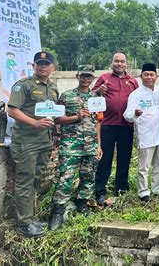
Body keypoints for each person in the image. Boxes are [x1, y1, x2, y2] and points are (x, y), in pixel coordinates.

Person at [7, 51, 59, 237]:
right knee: (25, 182)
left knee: (35, 180)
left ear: (52, 67)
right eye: (39, 63)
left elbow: (53, 113)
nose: (42, 66)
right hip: (26, 142)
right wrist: (34, 122)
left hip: (45, 141)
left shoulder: (52, 88)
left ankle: (30, 218)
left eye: (46, 63)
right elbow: (12, 110)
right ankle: (24, 224)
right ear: (33, 66)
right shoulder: (23, 86)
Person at [48, 65, 102, 230]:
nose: (86, 79)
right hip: (71, 145)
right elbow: (57, 119)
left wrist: (99, 145)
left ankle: (82, 203)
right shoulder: (66, 96)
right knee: (65, 179)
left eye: (89, 77)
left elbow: (99, 122)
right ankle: (58, 210)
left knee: (88, 177)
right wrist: (76, 117)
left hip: (91, 145)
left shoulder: (96, 98)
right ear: (77, 76)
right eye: (83, 76)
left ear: (93, 79)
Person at [93, 52, 139, 204]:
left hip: (126, 126)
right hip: (108, 124)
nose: (119, 64)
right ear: (111, 63)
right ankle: (100, 190)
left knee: (124, 158)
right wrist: (98, 92)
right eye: (116, 61)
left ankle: (121, 189)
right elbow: (91, 97)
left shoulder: (132, 82)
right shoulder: (104, 78)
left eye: (122, 61)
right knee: (105, 159)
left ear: (127, 64)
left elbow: (138, 100)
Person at [124, 63, 159, 202]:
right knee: (144, 166)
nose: (149, 77)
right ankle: (143, 192)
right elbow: (127, 115)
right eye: (146, 74)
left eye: (152, 74)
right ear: (141, 76)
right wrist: (135, 113)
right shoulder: (135, 95)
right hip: (145, 135)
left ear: (156, 76)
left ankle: (157, 189)